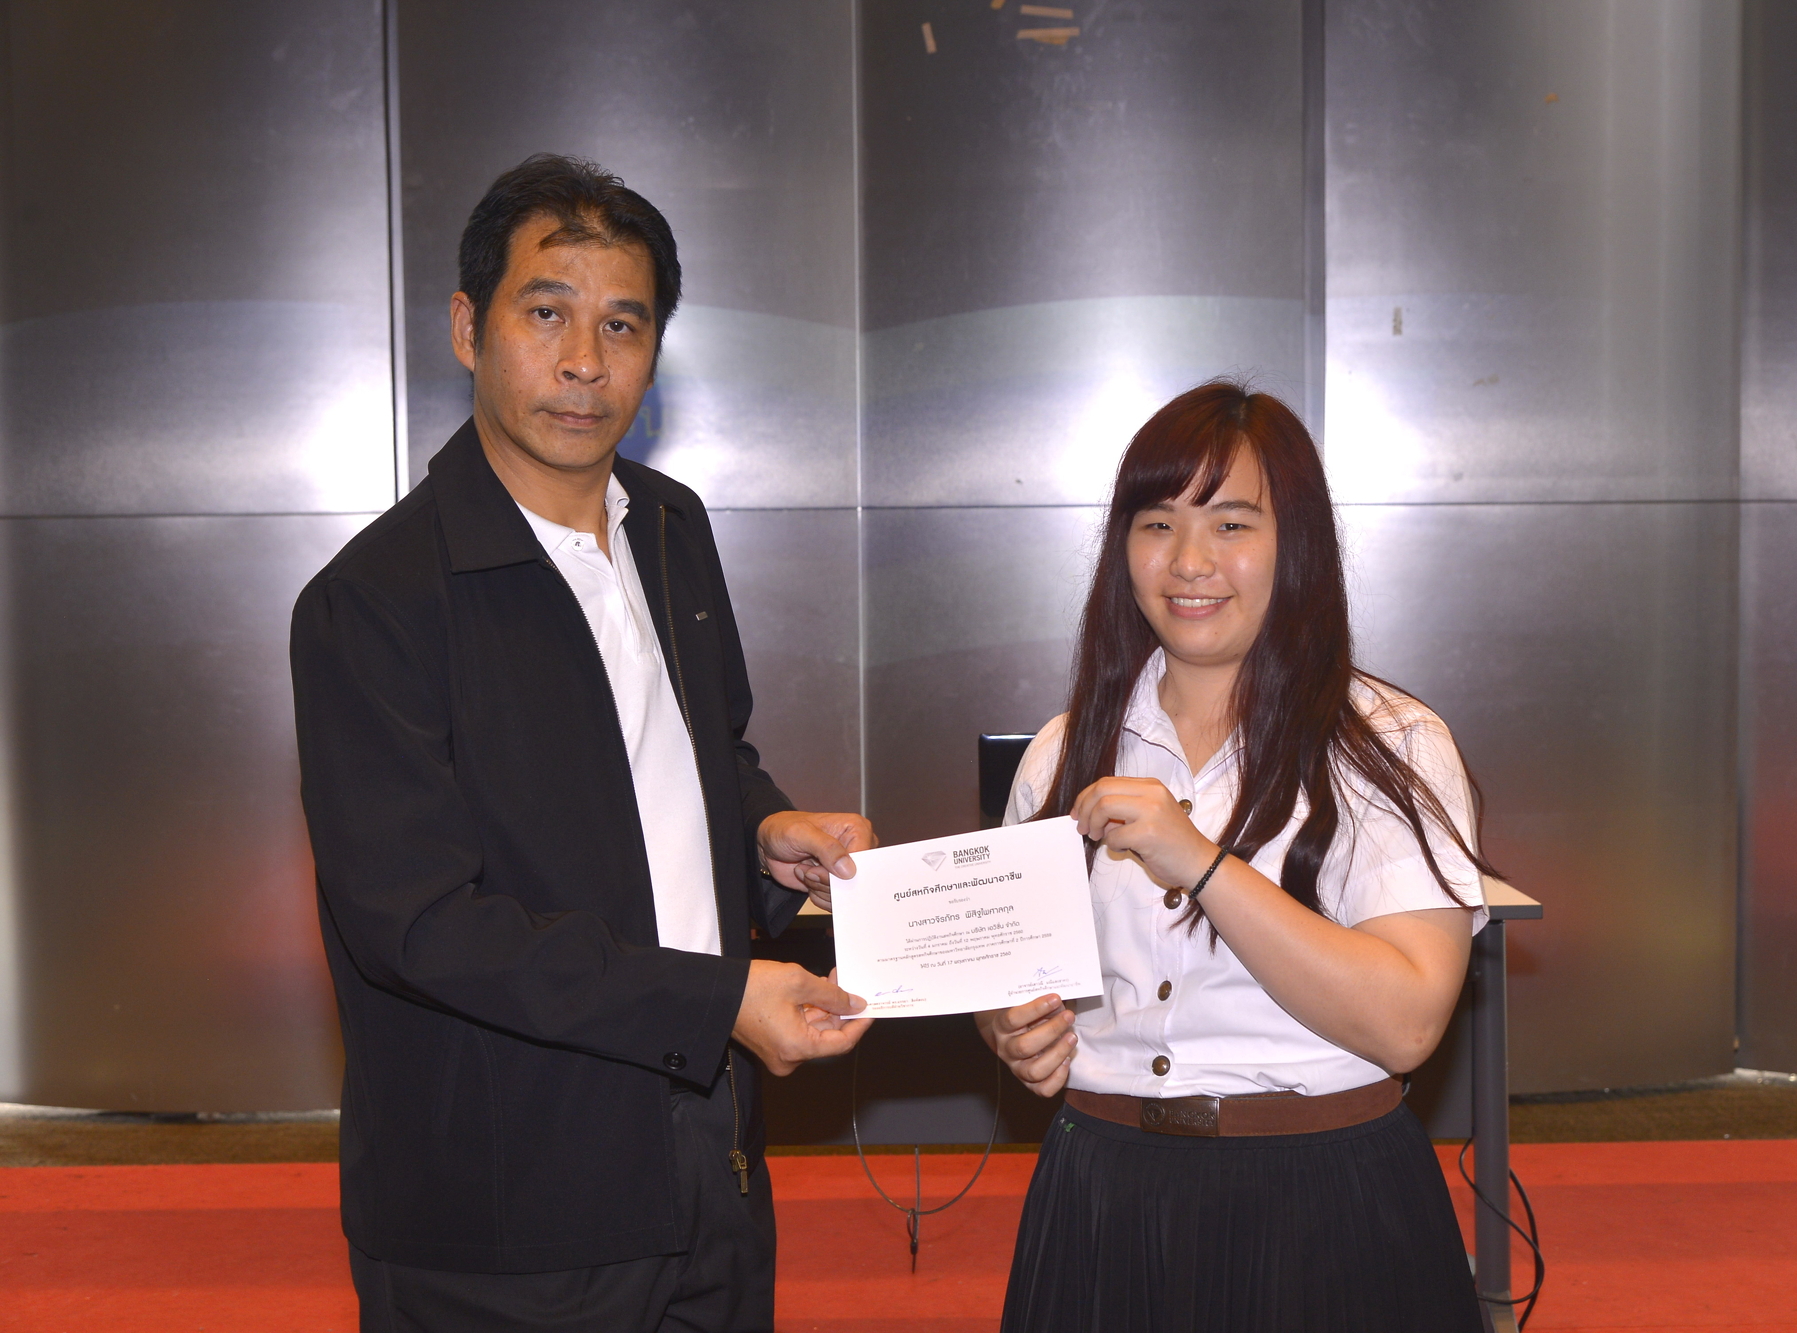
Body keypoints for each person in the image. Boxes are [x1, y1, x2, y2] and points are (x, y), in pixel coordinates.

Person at [291, 154, 873, 1332]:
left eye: (623, 324)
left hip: (707, 1155)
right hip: (503, 1212)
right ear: (468, 327)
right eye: (545, 313)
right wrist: (716, 998)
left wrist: (763, 834)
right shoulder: (375, 601)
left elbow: (701, 754)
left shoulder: (669, 527)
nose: (583, 362)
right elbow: (420, 924)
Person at [976, 381, 1495, 1331]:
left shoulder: (1390, 744)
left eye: (1231, 524)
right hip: (1103, 1191)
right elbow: (1013, 982)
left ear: (1296, 545)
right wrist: (1008, 1030)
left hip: (1324, 1199)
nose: (1189, 561)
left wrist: (1204, 864)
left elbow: (1409, 1022)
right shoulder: (1062, 752)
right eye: (1157, 524)